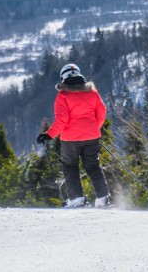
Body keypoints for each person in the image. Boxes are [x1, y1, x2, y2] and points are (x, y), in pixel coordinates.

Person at [37, 63, 110, 208]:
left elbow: (62, 120)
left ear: (63, 78)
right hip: (92, 136)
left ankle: (77, 199)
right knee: (93, 166)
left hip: (70, 139)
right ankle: (102, 198)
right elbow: (102, 112)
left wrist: (48, 135)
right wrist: (94, 128)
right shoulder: (93, 92)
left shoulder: (63, 96)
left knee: (70, 166)